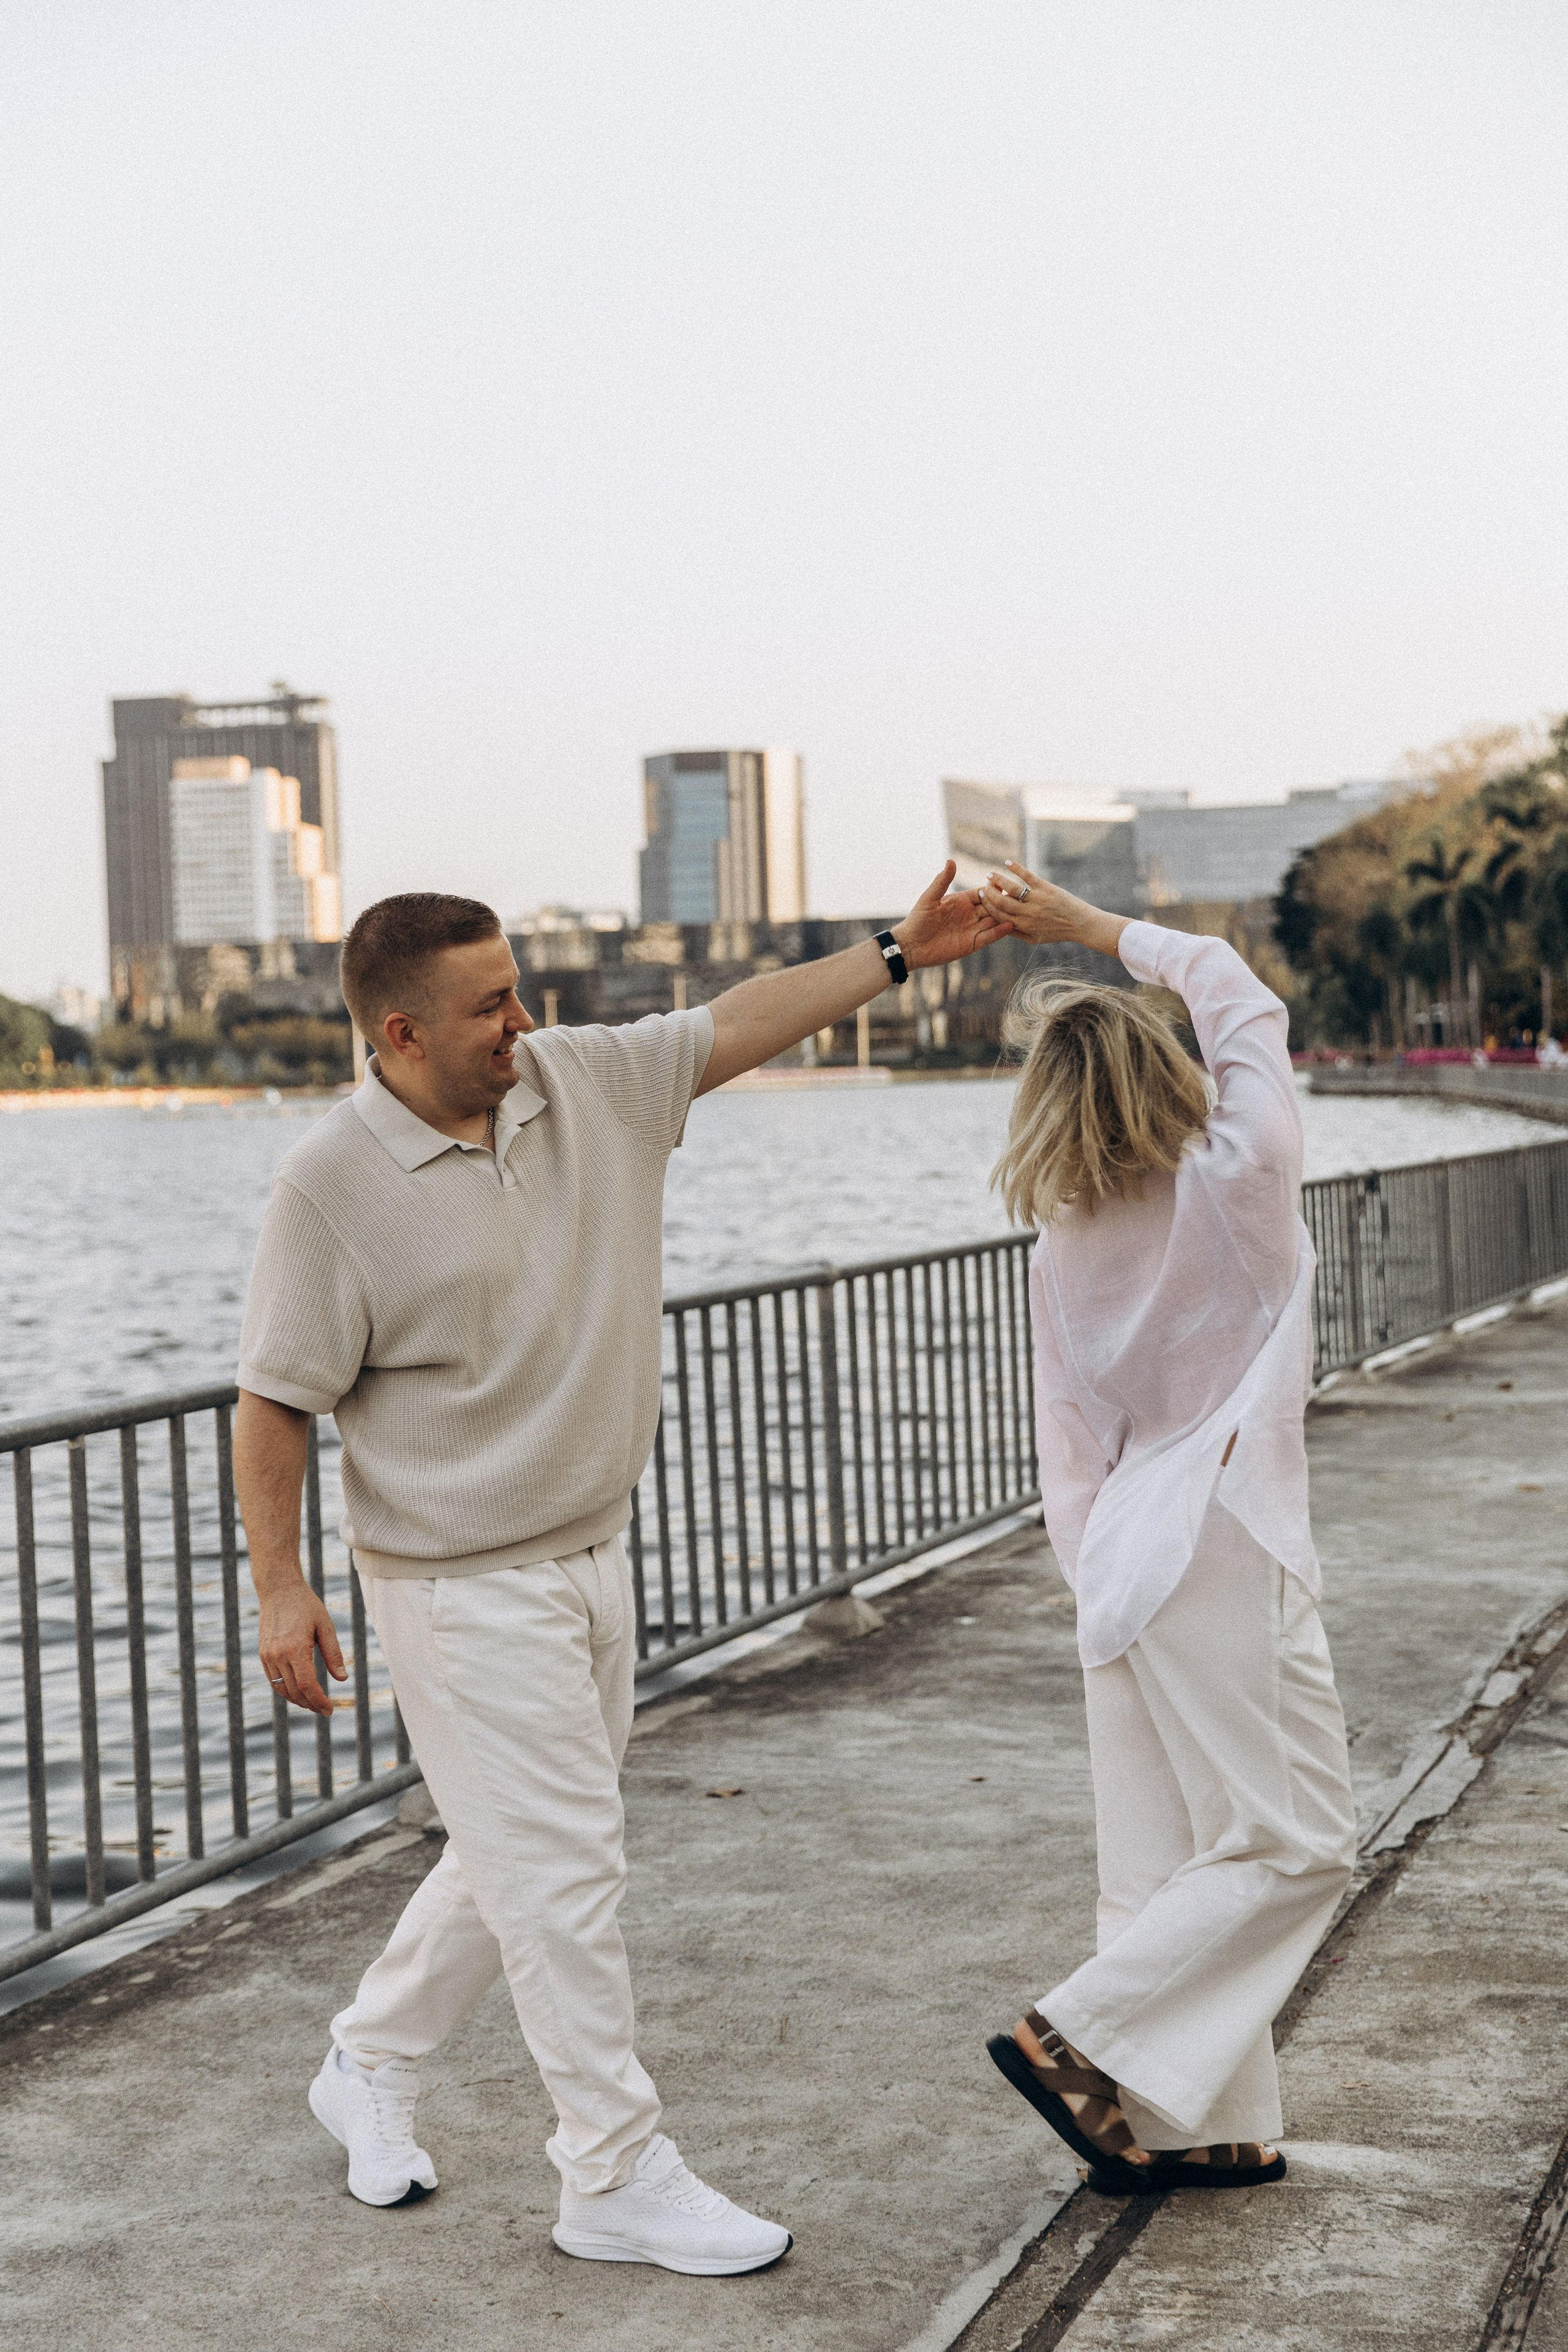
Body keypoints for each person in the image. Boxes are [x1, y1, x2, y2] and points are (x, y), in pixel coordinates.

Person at [233, 874, 1006, 2276]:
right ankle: (610, 2172)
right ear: (398, 1035)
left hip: (592, 1554)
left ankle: (369, 2057)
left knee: (516, 1850)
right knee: (566, 1869)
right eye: (487, 1007)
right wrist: (283, 1589)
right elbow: (275, 1402)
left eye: (518, 990)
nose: (519, 1022)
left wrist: (897, 955)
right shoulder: (327, 1189)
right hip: (460, 1586)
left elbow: (731, 1024)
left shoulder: (577, 1084)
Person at [974, 863, 1357, 2195]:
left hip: (1121, 1553)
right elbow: (1235, 989)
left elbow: (1065, 1450)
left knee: (1159, 1867)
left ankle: (1195, 2127)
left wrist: (1098, 1588)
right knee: (1298, 1839)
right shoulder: (1239, 1171)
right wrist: (1091, 931)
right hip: (1219, 1531)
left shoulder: (1058, 1243)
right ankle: (1072, 2033)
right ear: (1163, 1069)